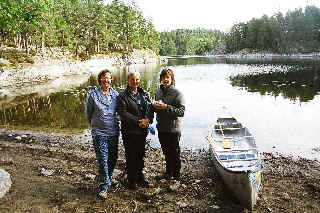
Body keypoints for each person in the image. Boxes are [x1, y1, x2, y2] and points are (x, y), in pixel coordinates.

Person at [116, 71, 154, 190]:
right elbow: (123, 112)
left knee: (140, 154)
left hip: (142, 131)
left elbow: (150, 108)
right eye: (133, 79)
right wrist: (139, 121)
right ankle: (131, 180)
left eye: (137, 79)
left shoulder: (144, 93)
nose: (135, 81)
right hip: (129, 131)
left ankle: (140, 177)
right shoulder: (122, 95)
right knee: (131, 155)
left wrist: (148, 120)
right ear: (128, 81)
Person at [85, 69, 119, 199]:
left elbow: (119, 112)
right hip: (99, 133)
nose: (106, 80)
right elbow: (88, 113)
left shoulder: (116, 95)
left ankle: (108, 178)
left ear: (111, 80)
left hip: (114, 132)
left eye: (109, 78)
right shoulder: (93, 94)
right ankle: (104, 186)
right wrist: (94, 126)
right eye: (104, 78)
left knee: (113, 158)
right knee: (103, 160)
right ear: (100, 79)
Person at [153, 68, 185, 181]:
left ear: (172, 79)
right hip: (161, 127)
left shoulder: (177, 93)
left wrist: (166, 107)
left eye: (168, 77)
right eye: (163, 77)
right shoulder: (158, 92)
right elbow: (156, 110)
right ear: (161, 79)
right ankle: (168, 172)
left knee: (174, 153)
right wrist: (155, 107)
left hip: (173, 129)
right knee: (166, 151)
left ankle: (176, 177)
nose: (165, 79)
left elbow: (181, 112)